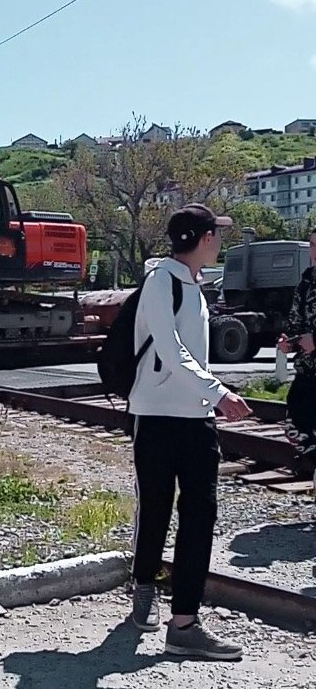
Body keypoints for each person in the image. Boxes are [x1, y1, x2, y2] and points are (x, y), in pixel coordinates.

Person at [129, 204, 252, 660]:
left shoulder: (195, 287)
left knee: (200, 516)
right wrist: (219, 392)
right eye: (216, 233)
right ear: (202, 239)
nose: (220, 240)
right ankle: (144, 583)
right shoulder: (161, 282)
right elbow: (170, 348)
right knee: (156, 508)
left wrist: (210, 398)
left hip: (197, 419)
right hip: (157, 415)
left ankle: (184, 623)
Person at [277, 229, 316, 459]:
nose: (315, 252)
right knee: (295, 428)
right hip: (307, 371)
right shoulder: (306, 281)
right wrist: (288, 342)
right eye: (312, 245)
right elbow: (295, 322)